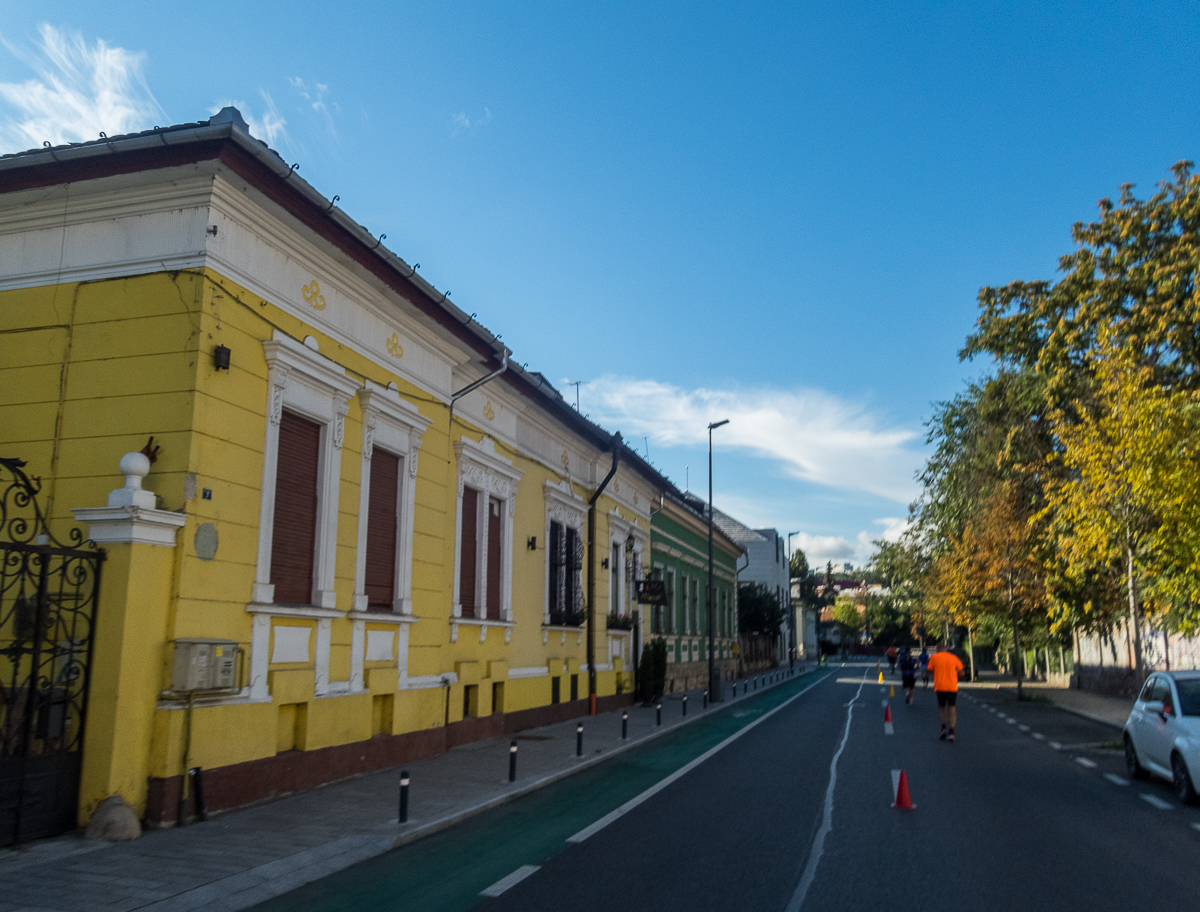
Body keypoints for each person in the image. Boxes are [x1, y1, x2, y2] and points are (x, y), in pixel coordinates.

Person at [927, 642, 964, 741]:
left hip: (940, 686)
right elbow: (961, 672)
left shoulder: (934, 658)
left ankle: (943, 728)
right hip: (952, 686)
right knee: (952, 708)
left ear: (937, 649)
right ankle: (951, 731)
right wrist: (956, 675)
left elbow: (930, 670)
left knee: (942, 707)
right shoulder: (954, 657)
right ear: (946, 649)